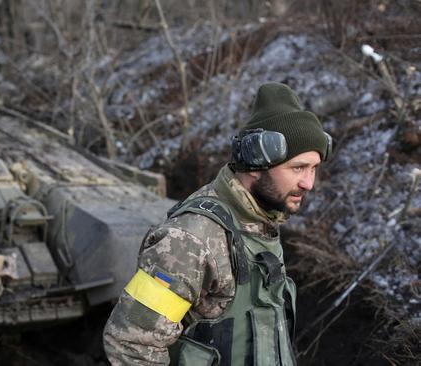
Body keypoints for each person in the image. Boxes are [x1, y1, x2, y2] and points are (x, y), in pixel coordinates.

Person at [102, 82, 332, 366]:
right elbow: (130, 344)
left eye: (314, 168)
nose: (308, 183)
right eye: (297, 167)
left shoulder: (261, 218)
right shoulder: (189, 238)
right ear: (256, 164)